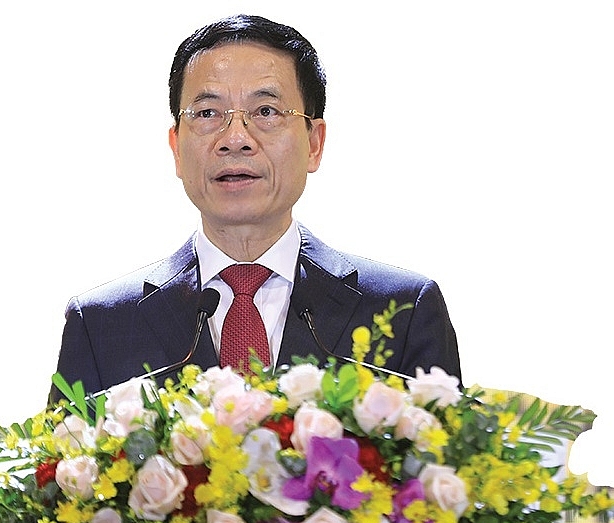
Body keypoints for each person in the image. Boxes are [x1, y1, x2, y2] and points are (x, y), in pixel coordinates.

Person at [51, 14, 461, 404]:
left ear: (314, 143)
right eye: (207, 113)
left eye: (266, 112)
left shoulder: (406, 310)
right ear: (176, 146)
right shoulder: (101, 325)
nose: (235, 139)